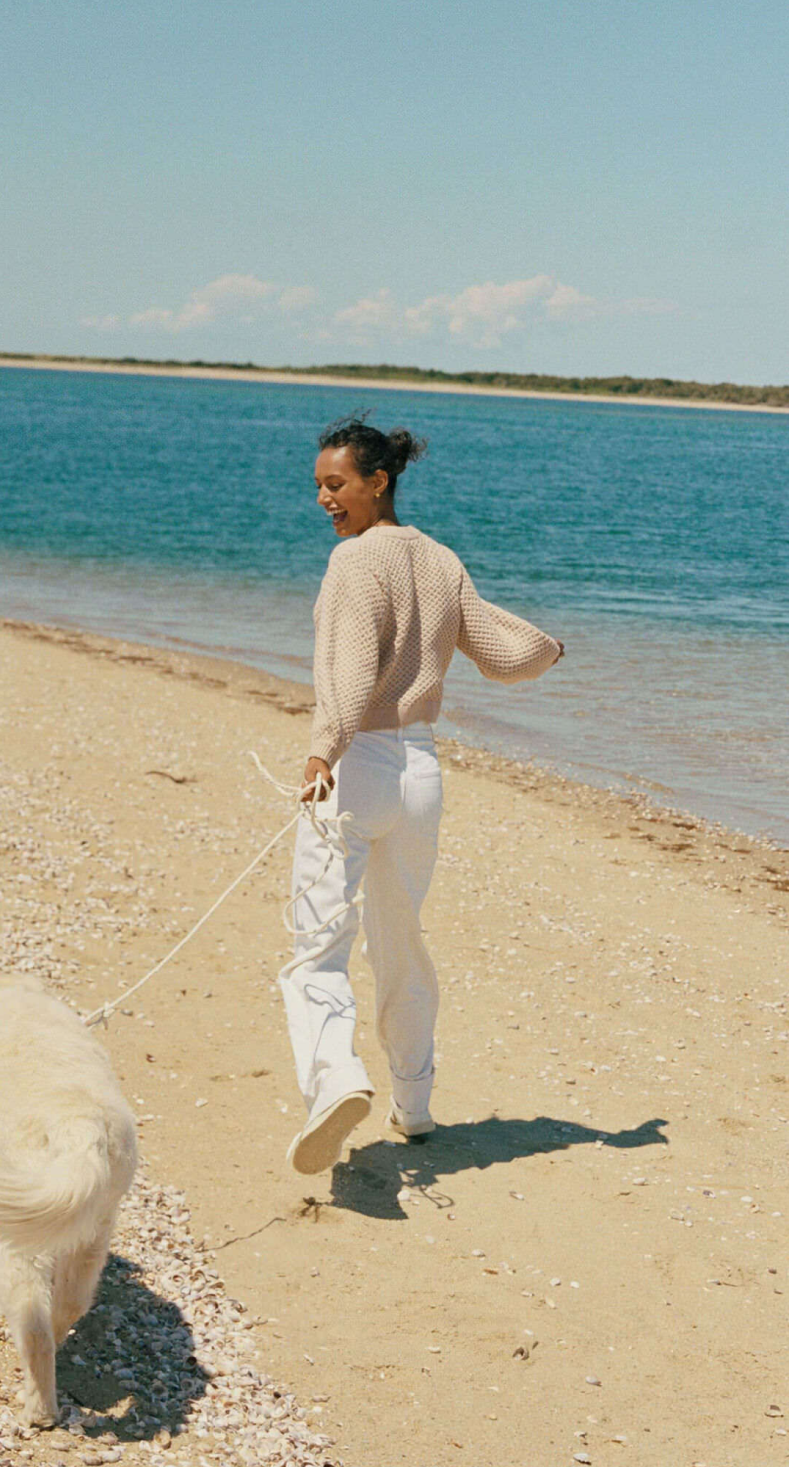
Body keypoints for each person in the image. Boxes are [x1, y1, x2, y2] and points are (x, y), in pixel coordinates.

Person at [281, 413, 564, 1174]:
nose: (323, 500)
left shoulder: (353, 564)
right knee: (400, 940)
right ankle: (415, 1101)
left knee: (316, 953)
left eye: (335, 485)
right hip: (421, 773)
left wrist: (321, 750)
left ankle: (336, 1083)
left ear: (379, 481)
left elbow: (347, 671)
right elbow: (505, 654)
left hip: (357, 765)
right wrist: (551, 649)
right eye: (317, 487)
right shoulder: (440, 559)